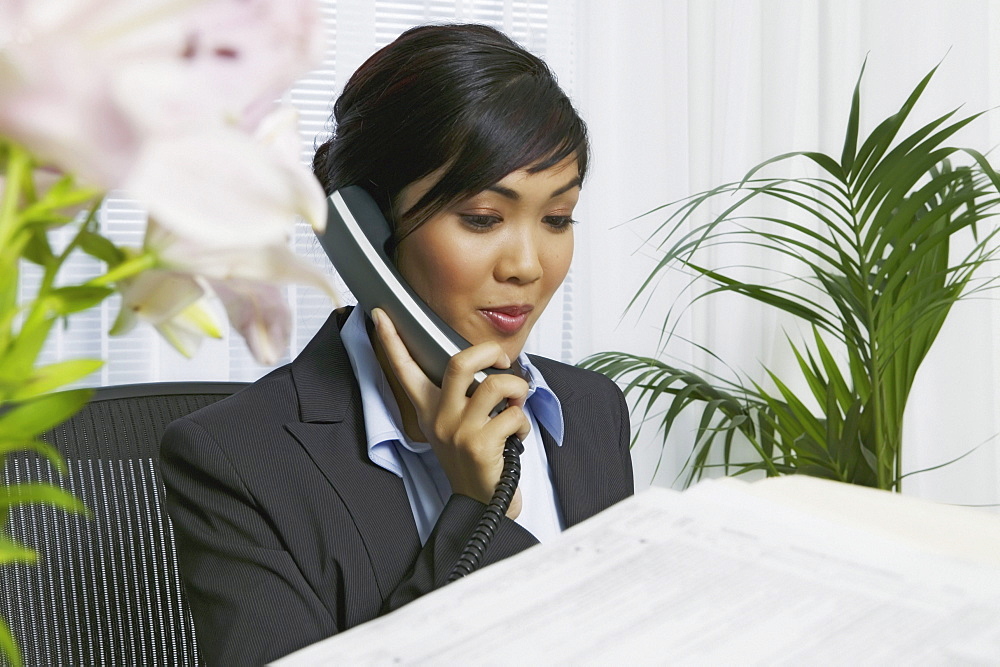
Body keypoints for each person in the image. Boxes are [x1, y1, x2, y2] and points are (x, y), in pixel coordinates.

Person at [160, 23, 633, 666]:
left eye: (557, 218)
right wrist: (475, 509)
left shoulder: (591, 410)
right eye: (483, 219)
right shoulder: (236, 462)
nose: (527, 264)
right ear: (365, 234)